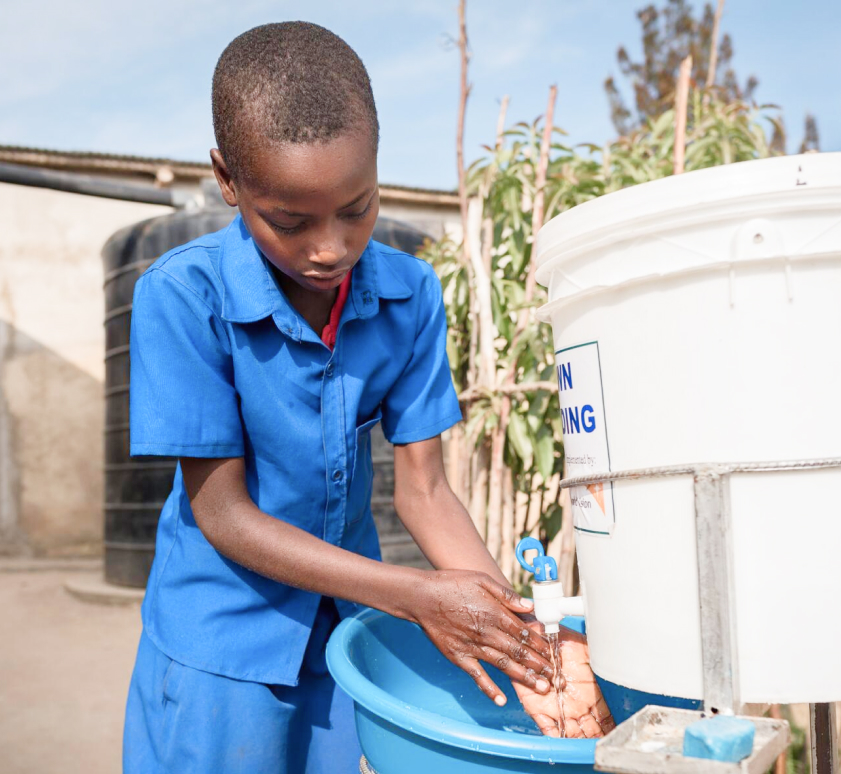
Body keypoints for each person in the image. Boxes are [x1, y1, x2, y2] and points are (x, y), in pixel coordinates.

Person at [122, 21, 609, 774]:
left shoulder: (408, 294)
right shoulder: (184, 296)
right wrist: (417, 595)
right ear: (227, 180)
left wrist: (523, 642)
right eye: (289, 221)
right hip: (219, 642)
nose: (330, 247)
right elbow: (222, 513)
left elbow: (427, 491)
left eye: (358, 207)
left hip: (346, 636)